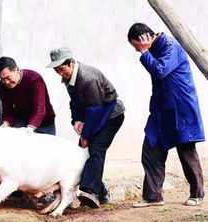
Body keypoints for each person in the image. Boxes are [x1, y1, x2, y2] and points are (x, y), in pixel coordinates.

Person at [127, 23, 205, 207]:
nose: (136, 49)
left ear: (144, 38)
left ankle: (197, 193)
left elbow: (160, 70)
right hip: (161, 110)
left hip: (180, 108)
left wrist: (145, 53)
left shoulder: (171, 46)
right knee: (151, 148)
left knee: (186, 149)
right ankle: (153, 196)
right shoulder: (154, 49)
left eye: (135, 44)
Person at [47, 47, 125, 208]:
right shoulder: (69, 78)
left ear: (72, 62)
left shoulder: (88, 77)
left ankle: (90, 191)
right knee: (82, 153)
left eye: (62, 69)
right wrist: (76, 120)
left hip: (110, 115)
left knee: (95, 148)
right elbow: (75, 102)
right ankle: (102, 193)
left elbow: (96, 110)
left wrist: (86, 136)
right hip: (94, 114)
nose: (60, 73)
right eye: (56, 70)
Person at [0, 57, 56, 134]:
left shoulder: (35, 79)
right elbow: (8, 110)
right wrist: (6, 123)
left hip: (45, 121)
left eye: (8, 77)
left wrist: (31, 127)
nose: (6, 82)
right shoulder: (2, 86)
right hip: (22, 120)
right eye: (2, 79)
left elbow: (40, 108)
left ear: (17, 70)